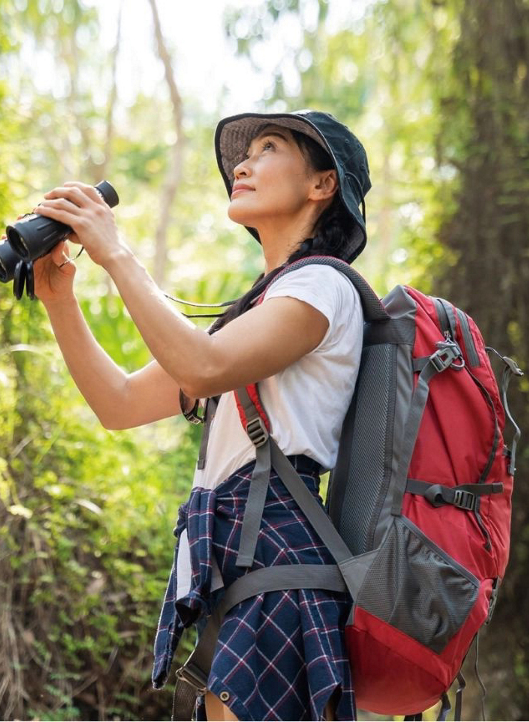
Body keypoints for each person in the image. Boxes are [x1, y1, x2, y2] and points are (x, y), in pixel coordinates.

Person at [30, 110, 372, 721]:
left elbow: (203, 367)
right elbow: (121, 404)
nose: (243, 163)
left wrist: (115, 252)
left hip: (279, 563)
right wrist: (60, 300)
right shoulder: (257, 309)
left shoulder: (324, 287)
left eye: (268, 149)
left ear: (323, 185)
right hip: (240, 565)